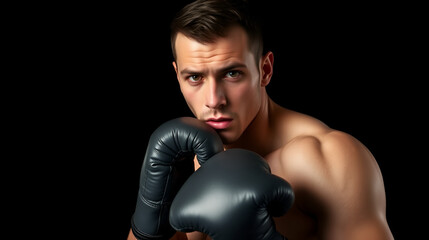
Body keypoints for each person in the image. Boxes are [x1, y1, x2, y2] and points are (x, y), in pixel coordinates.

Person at [128, 0, 394, 239]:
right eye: (195, 77)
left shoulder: (327, 158)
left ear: (264, 70)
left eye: (232, 74)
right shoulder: (182, 157)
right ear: (177, 75)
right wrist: (149, 225)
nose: (213, 100)